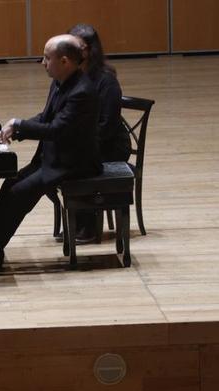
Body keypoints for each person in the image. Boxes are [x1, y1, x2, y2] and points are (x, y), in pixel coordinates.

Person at [0, 34, 101, 271]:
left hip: (74, 163)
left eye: (46, 58)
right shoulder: (61, 82)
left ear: (64, 61)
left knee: (21, 191)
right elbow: (46, 118)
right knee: (11, 183)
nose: (43, 63)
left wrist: (20, 125)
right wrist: (11, 130)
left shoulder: (82, 92)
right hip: (55, 157)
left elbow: (57, 129)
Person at [61, 23, 131, 243]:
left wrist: (81, 147)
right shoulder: (69, 77)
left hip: (110, 146)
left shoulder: (106, 81)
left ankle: (88, 225)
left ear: (88, 50)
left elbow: (107, 126)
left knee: (77, 165)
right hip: (86, 142)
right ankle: (77, 217)